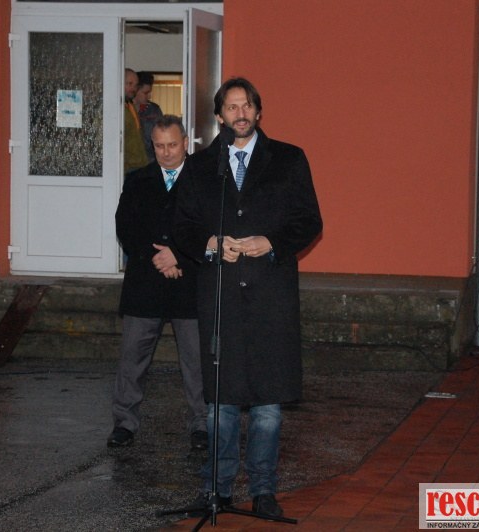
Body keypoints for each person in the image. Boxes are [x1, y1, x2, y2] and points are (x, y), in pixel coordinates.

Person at [174, 77, 322, 517]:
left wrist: (271, 242)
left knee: (267, 405)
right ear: (219, 116)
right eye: (231, 107)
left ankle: (263, 491)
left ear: (258, 111)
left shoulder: (289, 159)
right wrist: (209, 243)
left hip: (270, 297)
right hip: (219, 296)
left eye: (247, 106)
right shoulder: (202, 166)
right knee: (220, 401)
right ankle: (216, 489)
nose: (240, 114)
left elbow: (309, 221)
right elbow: (181, 225)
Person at [107, 115, 207, 451]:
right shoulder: (138, 180)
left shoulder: (204, 180)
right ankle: (124, 423)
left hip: (189, 284)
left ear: (186, 143)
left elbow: (210, 228)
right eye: (159, 145)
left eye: (172, 145)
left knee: (197, 361)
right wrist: (158, 259)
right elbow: (126, 227)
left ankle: (202, 424)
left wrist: (178, 255)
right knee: (132, 359)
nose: (166, 152)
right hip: (145, 285)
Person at [135, 71, 164, 163]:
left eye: (149, 92)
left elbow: (162, 135)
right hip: (129, 163)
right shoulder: (123, 110)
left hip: (151, 161)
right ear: (136, 90)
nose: (149, 96)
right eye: (145, 93)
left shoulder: (154, 110)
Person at [124, 68, 148, 173]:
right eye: (129, 84)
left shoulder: (130, 105)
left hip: (138, 165)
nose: (133, 88)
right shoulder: (115, 109)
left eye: (135, 85)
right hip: (126, 167)